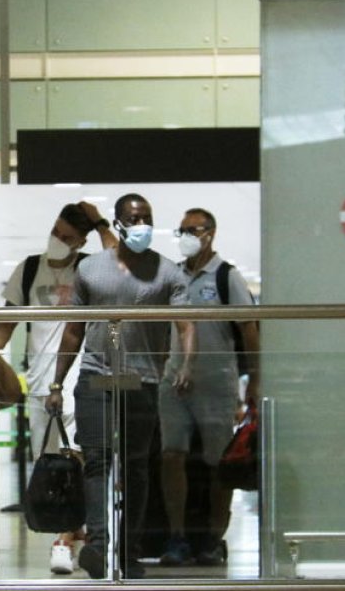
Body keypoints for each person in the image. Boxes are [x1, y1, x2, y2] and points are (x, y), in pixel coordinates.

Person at [47, 193, 196, 580]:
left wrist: (186, 364)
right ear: (118, 224)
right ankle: (97, 544)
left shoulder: (167, 272)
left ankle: (128, 548)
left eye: (147, 216)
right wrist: (58, 381)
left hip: (142, 379)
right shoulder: (91, 270)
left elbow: (187, 322)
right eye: (134, 217)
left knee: (134, 467)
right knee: (97, 460)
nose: (142, 224)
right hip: (97, 374)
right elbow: (73, 331)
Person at [0, 201, 116, 575]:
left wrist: (102, 222)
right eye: (56, 231)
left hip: (78, 379)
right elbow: (7, 320)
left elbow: (119, 263)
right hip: (40, 383)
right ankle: (76, 532)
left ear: (82, 240)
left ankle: (68, 539)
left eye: (68, 237)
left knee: (78, 461)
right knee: (51, 466)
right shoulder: (29, 270)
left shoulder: (88, 267)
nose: (58, 240)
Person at [158, 208, 261, 567]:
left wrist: (255, 378)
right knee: (172, 455)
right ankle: (177, 536)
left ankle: (213, 539)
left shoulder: (225, 277)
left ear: (210, 233)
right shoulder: (172, 276)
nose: (185, 235)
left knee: (220, 463)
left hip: (216, 381)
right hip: (174, 380)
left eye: (192, 229)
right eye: (181, 230)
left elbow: (249, 329)